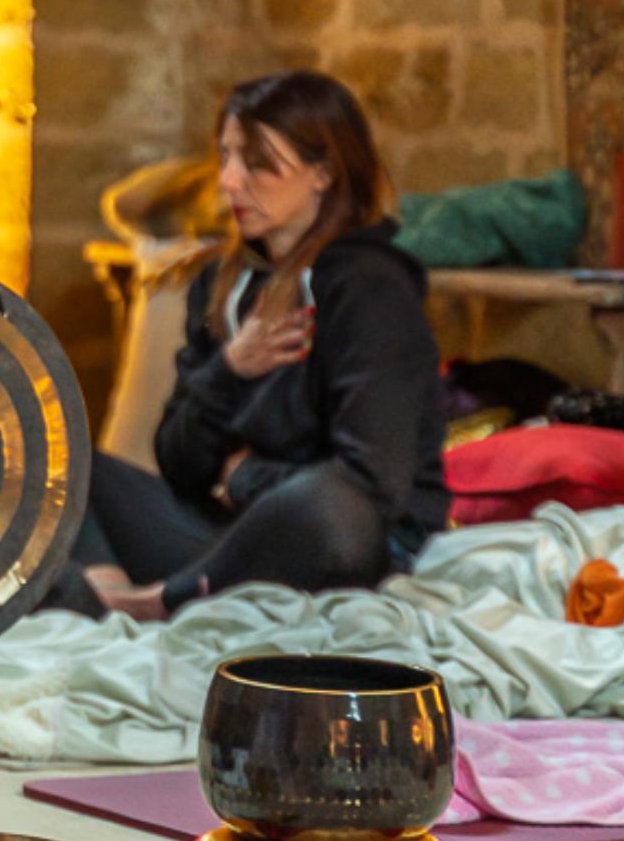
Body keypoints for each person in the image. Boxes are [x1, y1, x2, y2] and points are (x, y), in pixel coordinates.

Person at [60, 71, 449, 621]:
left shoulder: (369, 288)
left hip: (341, 544)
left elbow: (372, 484)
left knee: (326, 501)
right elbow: (177, 463)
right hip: (230, 541)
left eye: (259, 164)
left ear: (323, 173)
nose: (230, 183)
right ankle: (109, 599)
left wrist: (242, 477)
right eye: (227, 158)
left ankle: (160, 602)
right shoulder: (221, 283)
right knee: (64, 459)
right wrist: (228, 370)